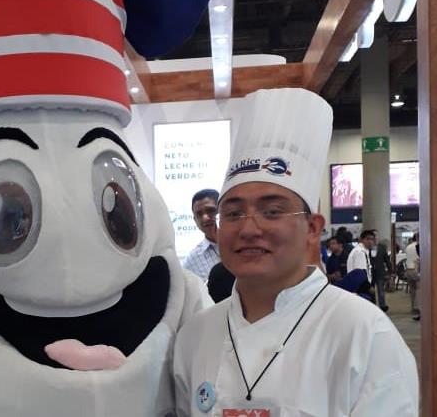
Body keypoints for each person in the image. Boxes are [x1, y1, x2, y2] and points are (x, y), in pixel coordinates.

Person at [173, 88, 418, 416]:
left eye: (271, 211)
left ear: (313, 229)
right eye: (233, 213)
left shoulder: (365, 334)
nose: (248, 228)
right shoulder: (195, 336)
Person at [182, 189, 221, 281]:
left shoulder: (243, 244)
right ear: (195, 220)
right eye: (199, 214)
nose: (205, 218)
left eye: (211, 210)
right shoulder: (192, 261)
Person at [372, 238, 393, 312]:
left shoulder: (382, 247)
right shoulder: (367, 247)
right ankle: (372, 306)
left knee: (381, 290)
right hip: (370, 272)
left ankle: (382, 306)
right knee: (371, 290)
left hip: (380, 272)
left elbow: (387, 259)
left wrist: (390, 270)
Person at [405, 233, 421, 320]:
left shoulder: (408, 247)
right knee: (419, 290)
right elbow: (418, 259)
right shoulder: (419, 246)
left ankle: (413, 308)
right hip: (416, 270)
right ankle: (418, 308)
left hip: (408, 269)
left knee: (412, 290)